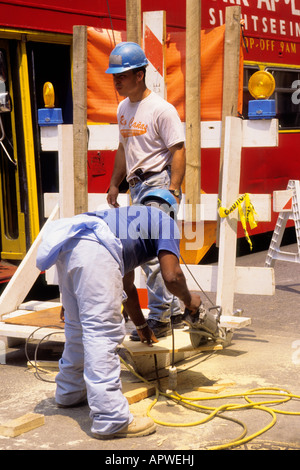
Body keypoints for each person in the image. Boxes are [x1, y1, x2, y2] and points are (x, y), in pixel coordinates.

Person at [36, 190, 201, 440]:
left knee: (78, 328)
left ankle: (69, 393)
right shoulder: (164, 220)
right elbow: (172, 276)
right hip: (94, 250)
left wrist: (142, 325)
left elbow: (126, 286)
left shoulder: (125, 219)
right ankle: (111, 419)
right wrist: (189, 301)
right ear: (170, 209)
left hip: (70, 246)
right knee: (102, 334)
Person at [105, 41, 186, 340]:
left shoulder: (161, 110)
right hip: (137, 187)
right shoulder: (123, 109)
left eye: (122, 74)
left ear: (140, 75)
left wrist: (173, 189)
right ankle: (174, 312)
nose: (117, 80)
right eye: (114, 75)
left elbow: (178, 150)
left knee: (151, 254)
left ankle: (161, 318)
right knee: (153, 251)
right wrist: (116, 182)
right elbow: (124, 148)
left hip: (159, 184)